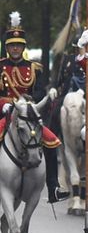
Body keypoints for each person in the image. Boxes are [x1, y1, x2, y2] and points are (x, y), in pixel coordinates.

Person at [0, 12, 63, 202]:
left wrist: (44, 97)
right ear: (7, 47)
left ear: (23, 47)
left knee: (52, 142)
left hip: (27, 115)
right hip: (5, 114)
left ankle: (53, 187)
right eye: (12, 45)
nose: (16, 48)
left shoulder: (34, 68)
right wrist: (4, 104)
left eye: (19, 45)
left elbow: (38, 93)